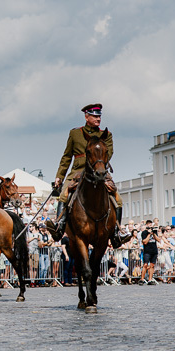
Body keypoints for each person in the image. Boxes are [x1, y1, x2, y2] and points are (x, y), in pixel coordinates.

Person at [45, 103, 130, 248]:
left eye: (99, 116)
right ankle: (59, 225)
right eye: (95, 116)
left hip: (99, 171)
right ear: (86, 116)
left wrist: (99, 167)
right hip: (77, 171)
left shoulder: (106, 135)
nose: (98, 119)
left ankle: (117, 232)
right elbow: (67, 157)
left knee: (118, 199)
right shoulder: (75, 133)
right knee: (64, 195)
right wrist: (59, 176)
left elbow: (108, 153)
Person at [139, 220, 161, 285]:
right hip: (147, 251)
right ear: (146, 225)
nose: (150, 226)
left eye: (151, 224)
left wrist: (153, 233)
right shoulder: (144, 233)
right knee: (145, 264)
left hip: (154, 250)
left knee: (152, 265)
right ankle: (142, 279)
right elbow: (145, 242)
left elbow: (158, 239)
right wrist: (149, 234)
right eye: (149, 225)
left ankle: (150, 279)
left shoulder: (154, 232)